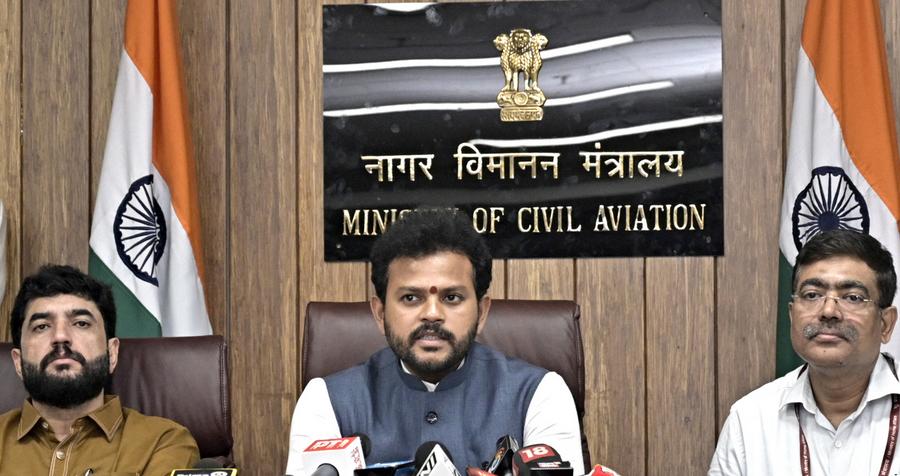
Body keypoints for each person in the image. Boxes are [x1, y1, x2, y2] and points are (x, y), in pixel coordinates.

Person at [286, 208, 584, 475]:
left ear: (482, 313)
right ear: (380, 313)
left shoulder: (540, 394)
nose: (431, 314)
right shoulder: (326, 400)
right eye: (410, 298)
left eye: (451, 297)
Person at [709, 230, 900, 475]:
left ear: (885, 324)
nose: (829, 311)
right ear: (791, 315)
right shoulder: (750, 419)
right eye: (812, 295)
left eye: (852, 297)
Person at [0, 264, 199, 474]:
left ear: (112, 353)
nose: (60, 336)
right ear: (18, 362)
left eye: (81, 323)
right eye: (42, 326)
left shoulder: (162, 442)